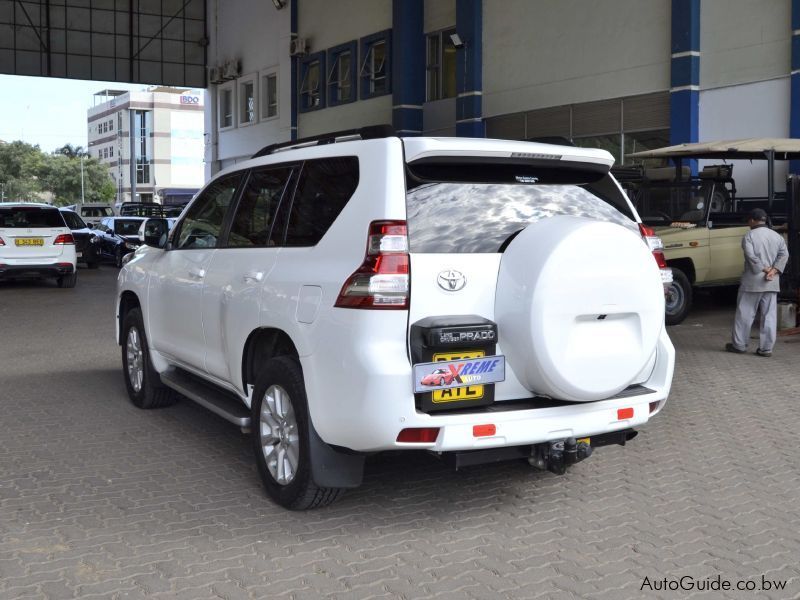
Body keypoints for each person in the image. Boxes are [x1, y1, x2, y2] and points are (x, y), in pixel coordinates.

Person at [725, 208, 789, 357]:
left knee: (745, 314)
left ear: (752, 220)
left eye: (748, 220)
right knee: (769, 316)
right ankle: (766, 349)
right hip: (772, 282)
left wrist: (764, 269)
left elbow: (751, 257)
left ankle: (739, 345)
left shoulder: (749, 236)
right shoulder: (777, 236)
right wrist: (774, 270)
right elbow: (784, 254)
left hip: (752, 282)